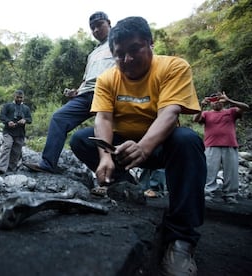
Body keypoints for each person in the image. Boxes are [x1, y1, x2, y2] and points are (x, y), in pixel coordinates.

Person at [69, 16, 206, 275]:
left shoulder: (173, 67)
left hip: (161, 145)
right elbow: (103, 117)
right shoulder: (108, 78)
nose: (127, 60)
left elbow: (170, 112)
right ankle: (125, 186)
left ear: (150, 43)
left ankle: (181, 239)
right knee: (81, 139)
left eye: (134, 50)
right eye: (119, 54)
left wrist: (143, 147)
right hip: (123, 148)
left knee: (188, 140)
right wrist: (105, 157)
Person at [23, 11, 115, 174]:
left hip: (108, 92)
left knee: (102, 131)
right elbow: (86, 78)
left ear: (108, 23)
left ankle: (111, 177)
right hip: (86, 94)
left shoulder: (118, 42)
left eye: (99, 26)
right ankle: (48, 164)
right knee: (59, 118)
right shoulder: (93, 53)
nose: (95, 31)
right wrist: (76, 91)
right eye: (92, 28)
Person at [193, 91, 250, 204]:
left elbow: (246, 107)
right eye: (213, 100)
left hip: (230, 145)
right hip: (211, 145)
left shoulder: (231, 112)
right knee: (209, 171)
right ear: (210, 103)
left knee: (231, 171)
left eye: (218, 99)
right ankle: (208, 194)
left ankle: (230, 195)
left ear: (222, 101)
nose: (216, 102)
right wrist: (202, 105)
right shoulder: (206, 113)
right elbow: (195, 119)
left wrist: (229, 100)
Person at [0, 90, 32, 174]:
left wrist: (25, 120)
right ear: (14, 96)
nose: (19, 99)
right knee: (7, 146)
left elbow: (30, 119)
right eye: (17, 97)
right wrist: (8, 122)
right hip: (8, 131)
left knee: (16, 151)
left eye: (21, 97)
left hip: (20, 133)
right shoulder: (7, 106)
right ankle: (1, 168)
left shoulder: (26, 108)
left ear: (23, 98)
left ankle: (11, 169)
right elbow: (2, 116)